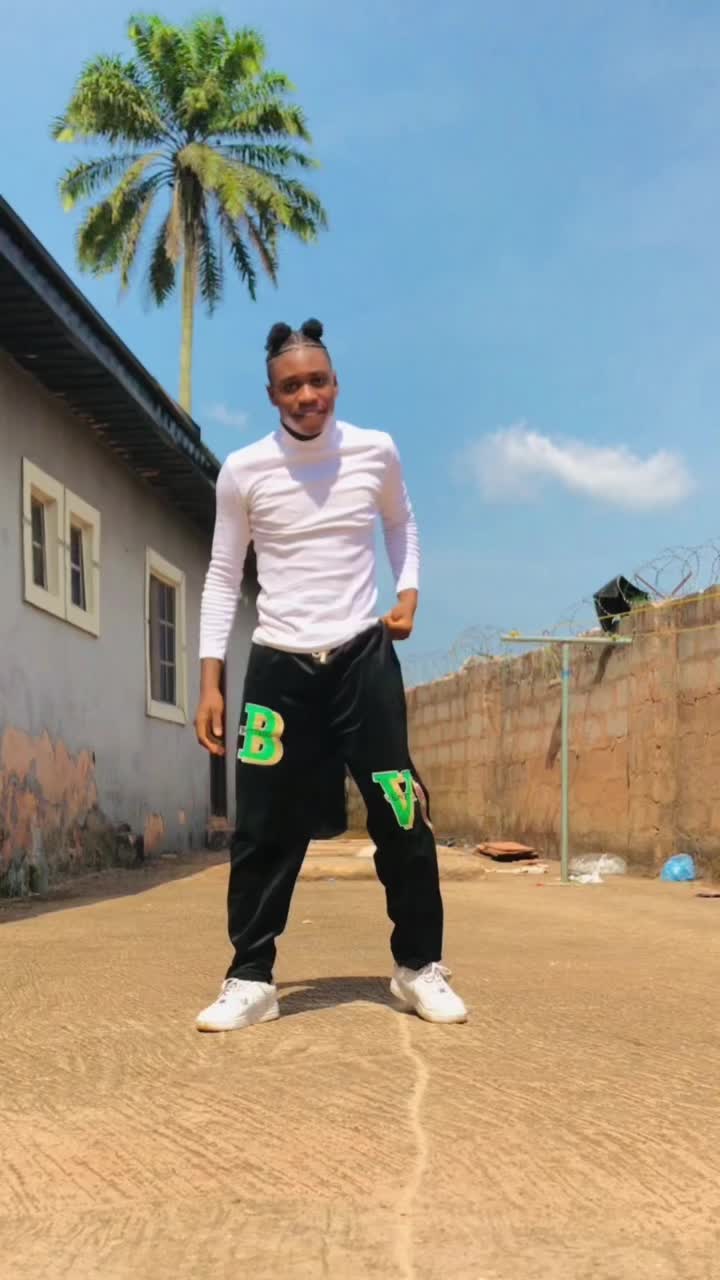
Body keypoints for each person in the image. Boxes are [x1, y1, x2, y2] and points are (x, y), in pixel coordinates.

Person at [194, 319, 467, 1031]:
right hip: (278, 667)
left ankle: (418, 967)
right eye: (292, 386)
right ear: (272, 395)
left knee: (401, 810)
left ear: (336, 384)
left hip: (361, 657)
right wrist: (210, 679)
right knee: (263, 826)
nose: (307, 395)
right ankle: (250, 978)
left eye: (317, 381)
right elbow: (222, 575)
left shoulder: (375, 451)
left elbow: (401, 523)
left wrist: (408, 591)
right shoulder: (244, 471)